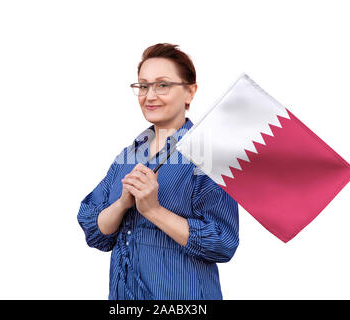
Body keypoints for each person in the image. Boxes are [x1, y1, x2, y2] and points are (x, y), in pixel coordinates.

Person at [77, 43, 239, 300]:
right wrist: (121, 204)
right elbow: (95, 231)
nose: (149, 96)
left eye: (162, 85)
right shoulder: (127, 157)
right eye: (143, 86)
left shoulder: (209, 157)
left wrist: (153, 210)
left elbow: (223, 243)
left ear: (190, 92)